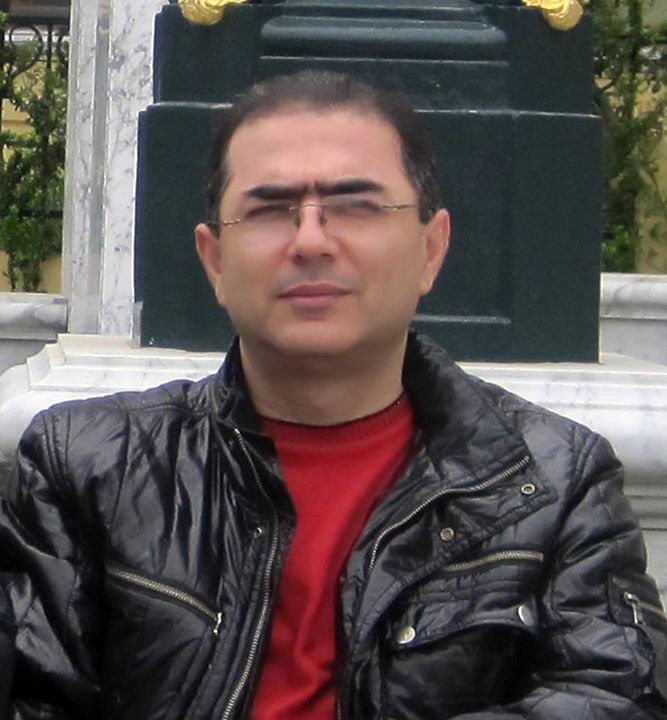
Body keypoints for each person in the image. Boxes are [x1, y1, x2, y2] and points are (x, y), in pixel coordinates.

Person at [1, 70, 666, 720]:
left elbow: (615, 694)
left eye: (356, 206)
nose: (311, 241)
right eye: (269, 209)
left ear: (431, 249)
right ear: (215, 262)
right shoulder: (90, 467)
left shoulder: (550, 484)